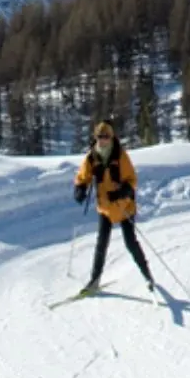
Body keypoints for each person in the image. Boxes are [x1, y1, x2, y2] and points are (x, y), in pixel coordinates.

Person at [73, 121, 155, 293]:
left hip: (124, 206)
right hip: (105, 207)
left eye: (106, 137)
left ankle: (147, 275)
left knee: (130, 242)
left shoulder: (120, 156)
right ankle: (94, 280)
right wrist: (80, 189)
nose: (103, 140)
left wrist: (121, 193)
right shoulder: (92, 157)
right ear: (95, 137)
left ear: (112, 138)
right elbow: (83, 176)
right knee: (101, 244)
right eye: (99, 137)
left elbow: (132, 180)